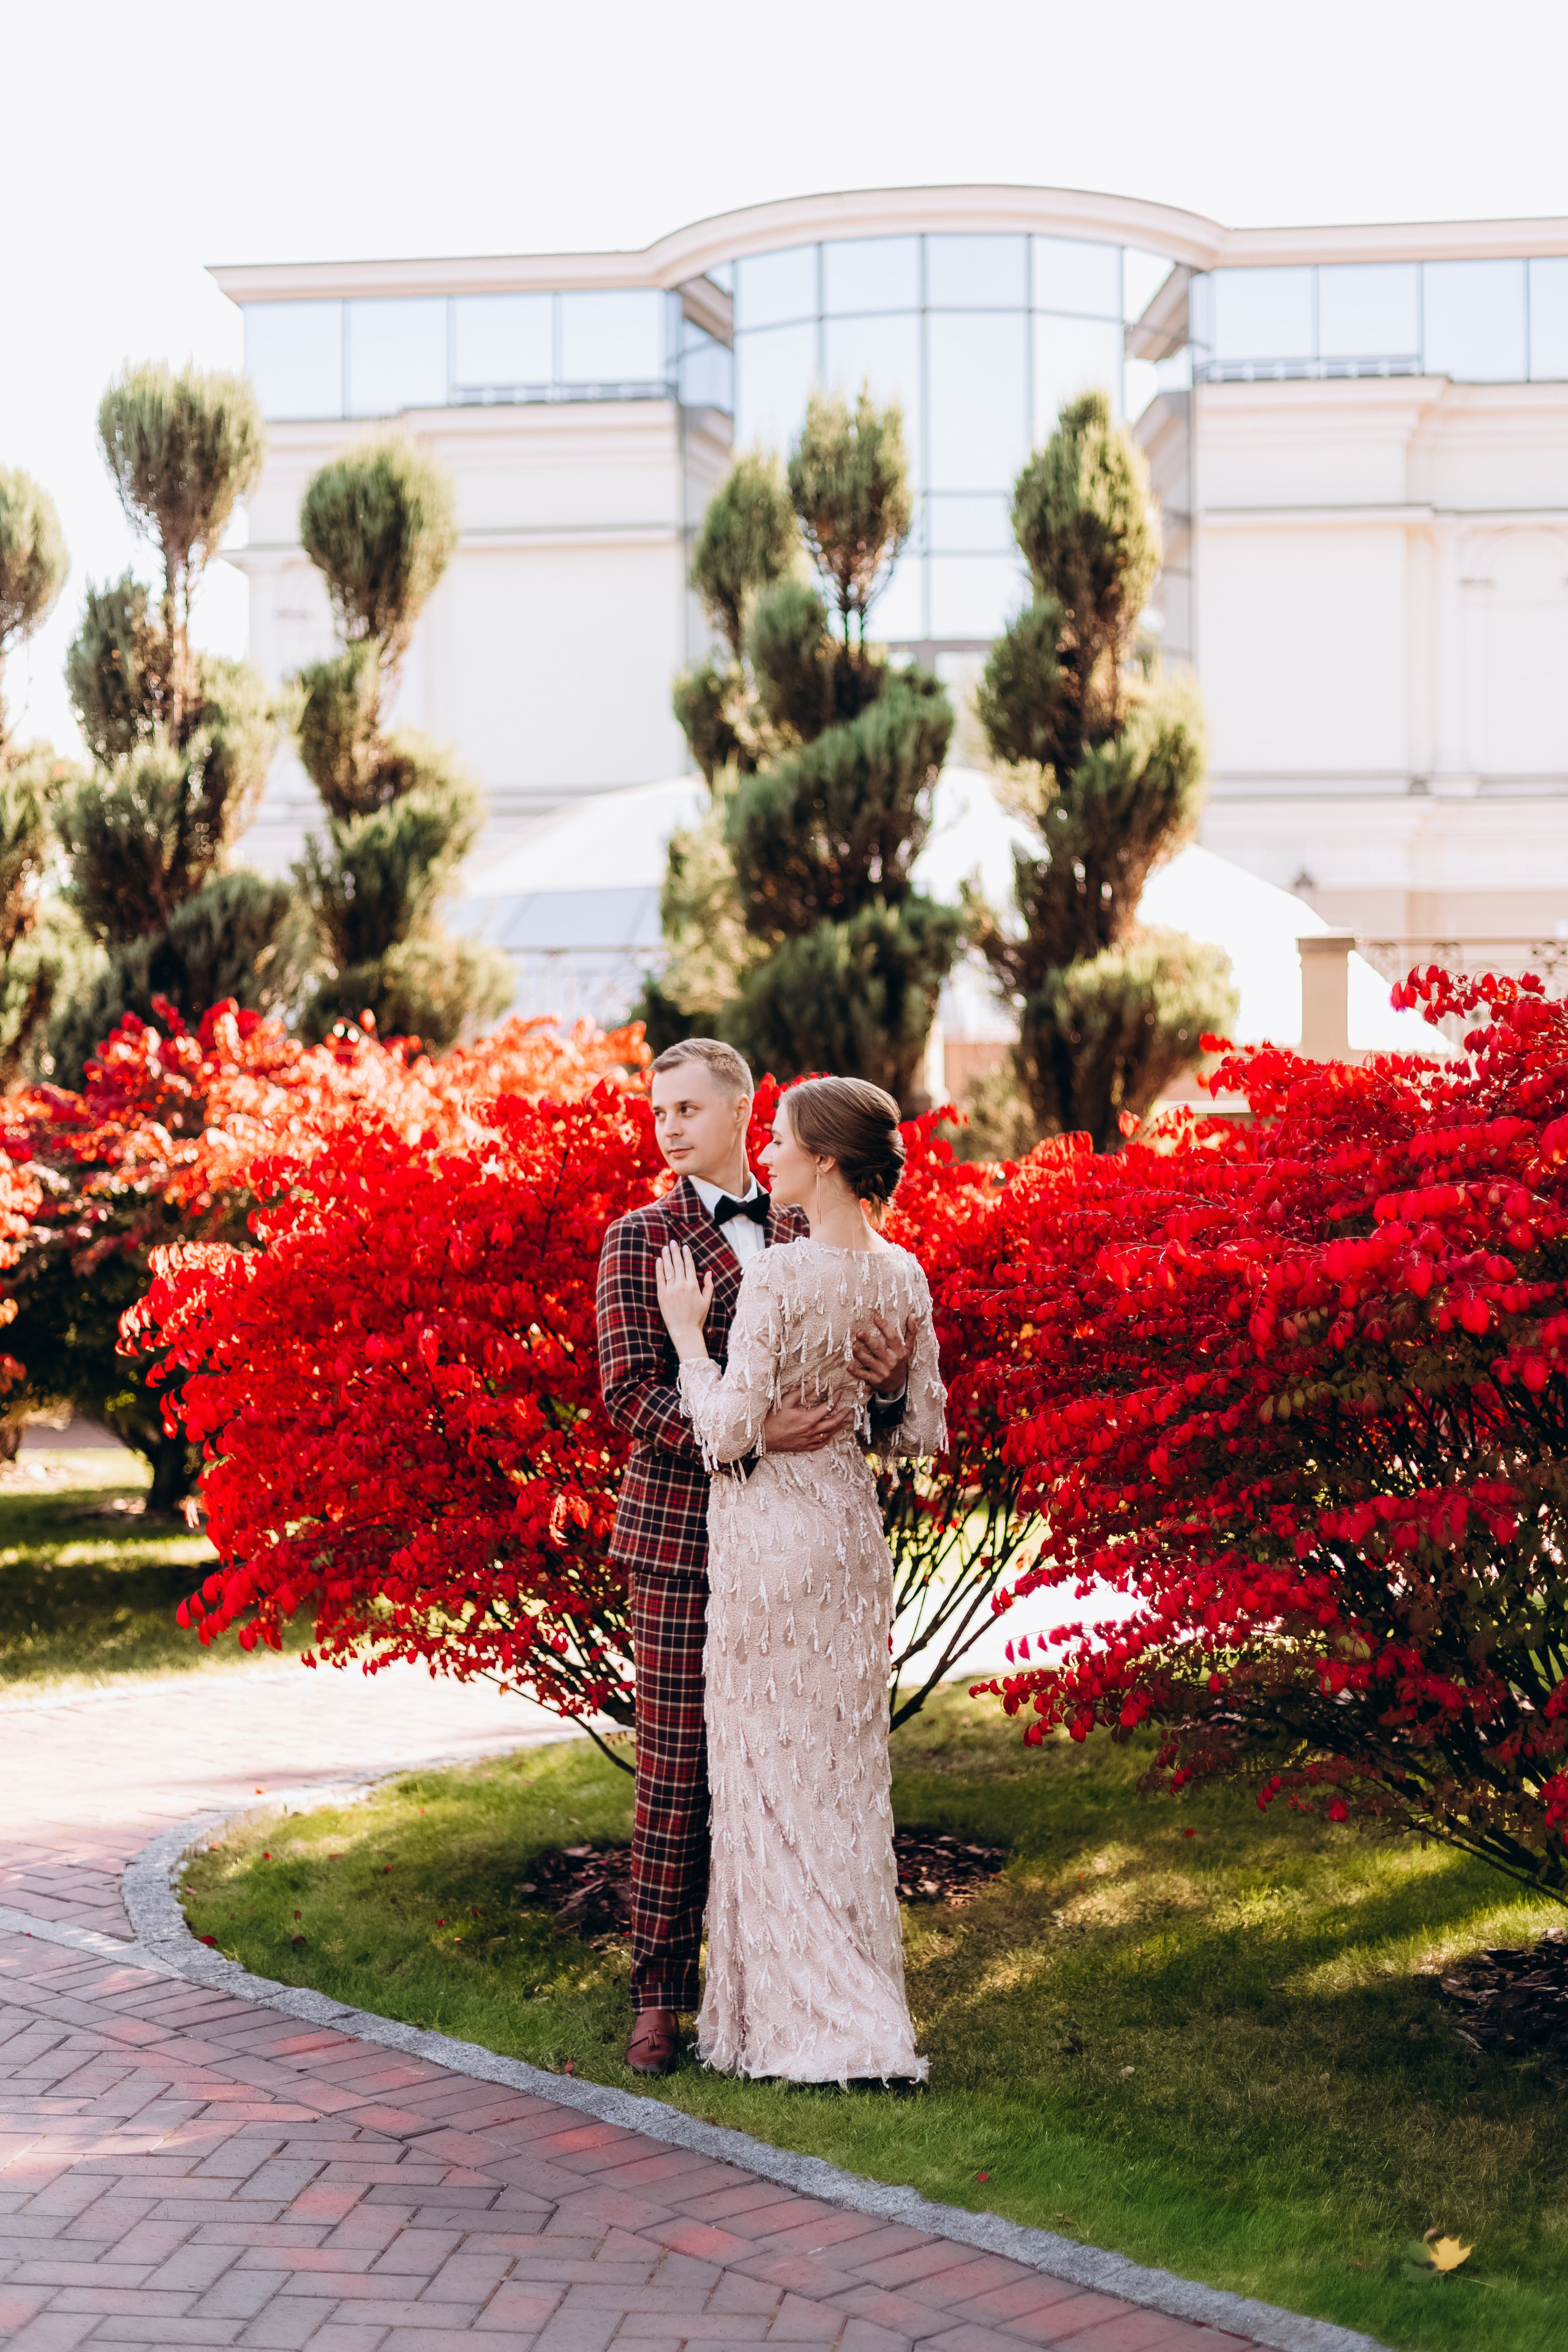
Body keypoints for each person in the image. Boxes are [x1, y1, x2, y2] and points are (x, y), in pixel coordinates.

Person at [596, 1040, 913, 2077]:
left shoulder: (811, 1227)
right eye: (659, 1112)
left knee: (787, 1772)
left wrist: (897, 1380)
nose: (670, 1127)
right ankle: (656, 1995)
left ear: (746, 1111)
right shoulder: (638, 1238)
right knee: (680, 1772)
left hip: (792, 1552)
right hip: (687, 1540)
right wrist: (749, 1434)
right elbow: (632, 1393)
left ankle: (789, 1989)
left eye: (690, 1107)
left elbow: (868, 1399)